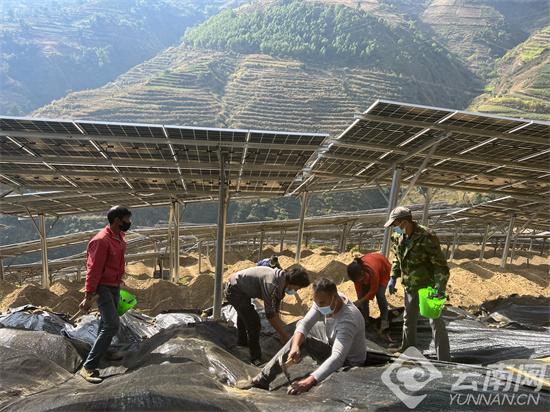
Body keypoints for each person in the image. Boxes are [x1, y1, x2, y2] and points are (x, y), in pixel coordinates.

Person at [238, 278, 367, 395]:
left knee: (307, 341)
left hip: (348, 363)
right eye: (317, 302)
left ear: (334, 297)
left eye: (321, 303)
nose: (319, 306)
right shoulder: (326, 301)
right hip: (331, 341)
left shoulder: (348, 320)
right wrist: (295, 346)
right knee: (300, 329)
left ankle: (263, 379)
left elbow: (338, 357)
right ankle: (264, 377)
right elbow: (305, 324)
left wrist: (309, 381)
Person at [385, 206, 451, 361]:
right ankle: (408, 350)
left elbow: (440, 265)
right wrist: (393, 277)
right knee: (408, 319)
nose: (395, 228)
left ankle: (444, 358)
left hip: (428, 286)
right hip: (410, 285)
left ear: (405, 222)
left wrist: (440, 287)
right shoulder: (398, 237)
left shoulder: (427, 236)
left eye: (396, 224)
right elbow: (397, 258)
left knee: (435, 321)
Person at [78, 206, 132, 383]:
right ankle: (88, 367)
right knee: (111, 325)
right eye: (126, 219)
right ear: (117, 220)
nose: (129, 223)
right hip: (103, 287)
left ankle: (103, 352)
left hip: (114, 285)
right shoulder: (101, 240)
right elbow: (93, 269)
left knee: (105, 323)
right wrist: (88, 295)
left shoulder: (119, 237)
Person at [225, 265, 310, 365]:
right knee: (254, 322)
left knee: (245, 314)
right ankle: (255, 358)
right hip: (234, 290)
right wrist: (284, 335)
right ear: (293, 283)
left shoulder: (280, 281)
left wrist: (282, 330)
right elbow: (270, 315)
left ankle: (242, 342)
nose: (297, 290)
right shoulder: (272, 283)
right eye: (298, 288)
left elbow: (275, 310)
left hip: (241, 289)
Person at [347, 252, 391, 331]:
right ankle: (365, 320)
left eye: (358, 280)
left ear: (362, 273)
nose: (357, 282)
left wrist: (360, 301)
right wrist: (360, 301)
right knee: (363, 299)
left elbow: (373, 291)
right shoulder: (356, 274)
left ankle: (385, 320)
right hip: (372, 264)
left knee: (380, 295)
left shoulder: (372, 272)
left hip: (382, 269)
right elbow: (359, 292)